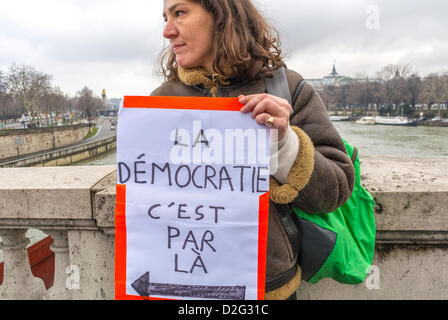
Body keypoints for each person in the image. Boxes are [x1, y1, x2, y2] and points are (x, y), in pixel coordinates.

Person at [152, 0, 355, 300]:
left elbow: (335, 191)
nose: (167, 31)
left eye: (179, 13)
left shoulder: (287, 88)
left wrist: (284, 145)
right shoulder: (161, 100)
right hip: (188, 286)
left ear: (221, 15)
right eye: (166, 18)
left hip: (269, 289)